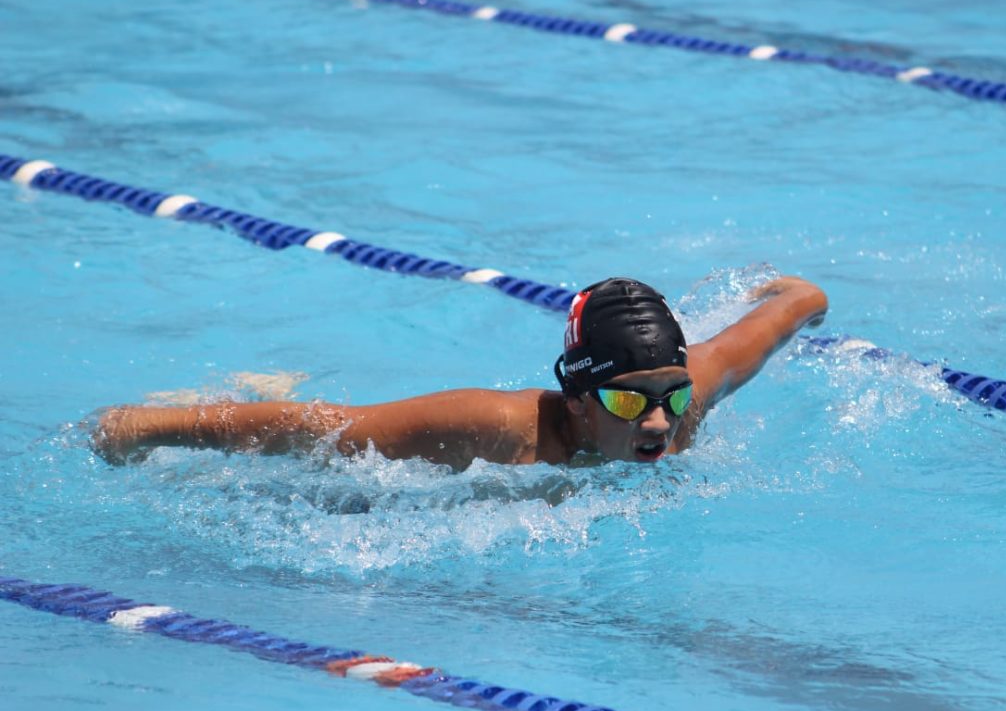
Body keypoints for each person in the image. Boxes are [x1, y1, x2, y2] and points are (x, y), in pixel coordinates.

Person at [94, 275, 827, 470]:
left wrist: (799, 297)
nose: (662, 421)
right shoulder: (503, 430)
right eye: (631, 403)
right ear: (577, 403)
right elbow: (330, 432)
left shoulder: (689, 396)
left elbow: (785, 312)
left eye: (672, 394)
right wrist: (149, 430)